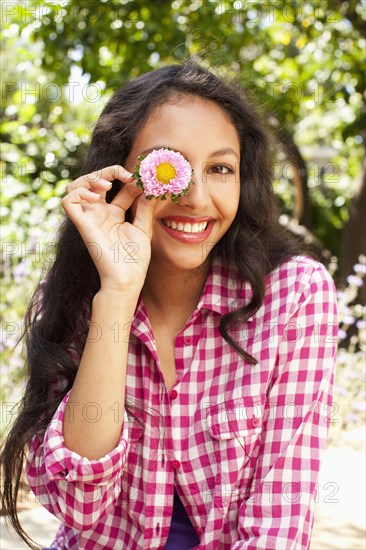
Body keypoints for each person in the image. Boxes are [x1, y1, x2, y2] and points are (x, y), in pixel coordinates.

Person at [0, 63, 338, 550]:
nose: (197, 198)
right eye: (167, 168)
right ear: (120, 175)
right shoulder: (76, 293)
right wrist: (116, 294)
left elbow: (278, 528)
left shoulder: (295, 295)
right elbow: (76, 506)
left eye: (220, 169)